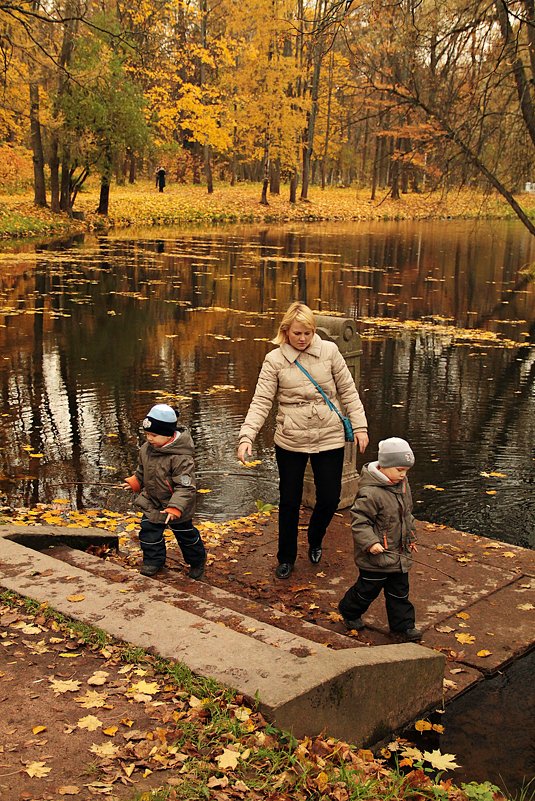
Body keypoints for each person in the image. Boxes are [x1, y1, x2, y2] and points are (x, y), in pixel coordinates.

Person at [237, 302, 369, 579]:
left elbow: (349, 392)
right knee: (289, 500)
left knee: (330, 498)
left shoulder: (330, 352)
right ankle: (286, 557)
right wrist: (247, 435)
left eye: (307, 333)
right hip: (291, 439)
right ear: (286, 331)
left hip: (329, 436)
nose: (302, 338)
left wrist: (360, 427)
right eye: (297, 333)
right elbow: (261, 401)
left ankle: (315, 536)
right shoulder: (275, 360)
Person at [338, 437, 422, 641]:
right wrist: (371, 543)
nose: (403, 475)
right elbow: (360, 522)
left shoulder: (402, 485)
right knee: (366, 591)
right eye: (399, 470)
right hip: (375, 558)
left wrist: (411, 536)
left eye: (406, 471)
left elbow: (406, 515)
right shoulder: (370, 493)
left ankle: (403, 626)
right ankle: (349, 610)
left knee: (400, 593)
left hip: (399, 554)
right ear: (384, 466)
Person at [124, 403, 206, 579]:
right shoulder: (147, 449)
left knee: (186, 536)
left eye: (154, 435)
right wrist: (136, 481)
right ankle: (154, 561)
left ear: (168, 434)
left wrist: (176, 507)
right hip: (153, 501)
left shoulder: (181, 458)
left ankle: (197, 561)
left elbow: (186, 486)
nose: (150, 439)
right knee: (148, 533)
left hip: (176, 506)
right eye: (147, 434)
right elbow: (142, 470)